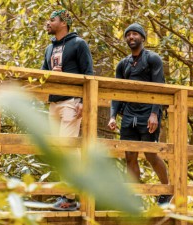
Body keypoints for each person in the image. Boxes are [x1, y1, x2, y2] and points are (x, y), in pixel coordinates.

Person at [107, 23, 171, 205]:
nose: (131, 37)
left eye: (135, 34)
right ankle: (134, 197)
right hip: (129, 114)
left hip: (147, 112)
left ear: (143, 38)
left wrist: (154, 114)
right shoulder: (123, 64)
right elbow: (116, 91)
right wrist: (112, 115)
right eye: (128, 35)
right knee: (130, 156)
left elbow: (159, 87)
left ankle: (166, 191)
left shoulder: (153, 59)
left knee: (150, 154)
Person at [41, 9, 94, 211]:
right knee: (58, 149)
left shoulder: (78, 44)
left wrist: (83, 100)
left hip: (72, 102)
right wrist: (50, 74)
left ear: (63, 23)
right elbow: (42, 74)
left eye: (52, 19)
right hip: (53, 102)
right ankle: (67, 194)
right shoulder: (49, 48)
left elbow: (88, 73)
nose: (48, 22)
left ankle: (71, 198)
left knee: (68, 148)